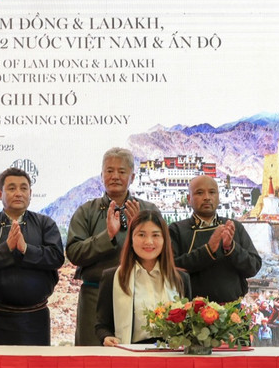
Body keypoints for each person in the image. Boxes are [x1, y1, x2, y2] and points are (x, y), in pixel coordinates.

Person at [66, 147, 157, 346]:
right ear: (102, 175)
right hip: (95, 297)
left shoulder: (148, 210)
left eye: (121, 171)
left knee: (137, 359)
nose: (115, 176)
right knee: (93, 360)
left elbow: (162, 254)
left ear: (132, 177)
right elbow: (74, 253)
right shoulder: (86, 211)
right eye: (109, 171)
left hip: (140, 297)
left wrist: (139, 231)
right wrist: (107, 236)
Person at [0, 168, 64, 345]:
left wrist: (26, 249)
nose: (18, 193)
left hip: (35, 316)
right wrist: (7, 248)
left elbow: (57, 258)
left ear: (30, 193)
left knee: (35, 363)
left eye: (24, 188)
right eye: (11, 188)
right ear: (0, 194)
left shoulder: (45, 224)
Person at [95, 210, 190, 346]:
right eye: (141, 235)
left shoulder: (180, 278)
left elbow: (188, 324)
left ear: (164, 240)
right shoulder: (113, 278)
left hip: (171, 352)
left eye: (155, 235)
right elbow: (101, 325)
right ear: (131, 239)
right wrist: (106, 337)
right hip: (130, 352)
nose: (149, 242)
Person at [169, 175, 261, 303]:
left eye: (212, 192)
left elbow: (253, 267)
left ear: (218, 197)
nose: (207, 197)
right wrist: (208, 250)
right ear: (189, 199)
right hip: (191, 311)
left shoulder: (234, 227)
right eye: (199, 193)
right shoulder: (176, 230)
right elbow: (171, 268)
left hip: (232, 310)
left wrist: (231, 248)